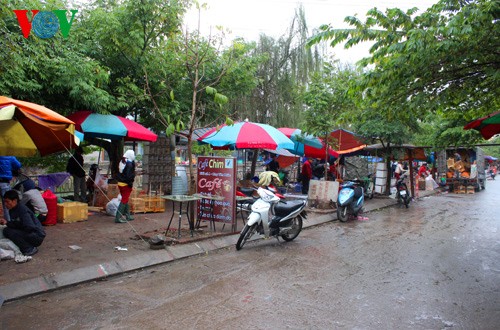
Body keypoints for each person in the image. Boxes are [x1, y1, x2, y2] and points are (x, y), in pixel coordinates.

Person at [0, 189, 45, 256]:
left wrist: (17, 228)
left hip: (36, 235)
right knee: (6, 230)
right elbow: (17, 223)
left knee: (11, 232)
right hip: (29, 232)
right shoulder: (12, 210)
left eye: (7, 202)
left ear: (14, 201)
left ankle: (29, 249)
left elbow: (29, 226)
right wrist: (6, 222)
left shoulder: (22, 210)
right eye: (5, 202)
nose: (6, 204)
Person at [115, 150, 136, 223]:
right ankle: (118, 217)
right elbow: (128, 176)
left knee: (125, 199)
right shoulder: (129, 164)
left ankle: (128, 215)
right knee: (124, 200)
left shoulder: (122, 161)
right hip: (126, 184)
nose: (134, 156)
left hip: (120, 183)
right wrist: (131, 182)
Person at [0, 156, 22, 221]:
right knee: (7, 203)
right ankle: (9, 221)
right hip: (4, 183)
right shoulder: (10, 157)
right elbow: (18, 165)